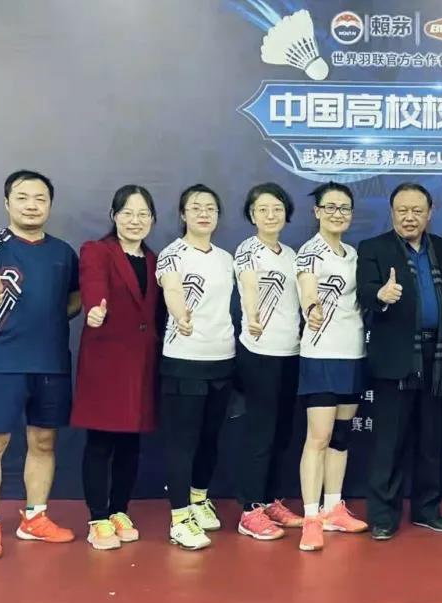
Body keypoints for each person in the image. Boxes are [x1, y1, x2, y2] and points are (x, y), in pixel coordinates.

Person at [0, 170, 80, 561]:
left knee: (44, 441)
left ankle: (35, 518)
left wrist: (50, 317)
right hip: (4, 359)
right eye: (22, 197)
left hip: (52, 361)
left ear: (49, 204)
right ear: (7, 203)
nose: (31, 205)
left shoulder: (64, 252)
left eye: (40, 198)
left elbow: (75, 298)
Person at [357, 183, 442, 540]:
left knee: (431, 441)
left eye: (417, 210)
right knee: (389, 442)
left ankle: (427, 510)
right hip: (395, 357)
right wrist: (381, 295)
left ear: (430, 213)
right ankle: (383, 516)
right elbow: (365, 291)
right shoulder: (373, 247)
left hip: (436, 358)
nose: (409, 217)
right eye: (402, 210)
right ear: (392, 213)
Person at [72, 185, 161, 551]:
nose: (135, 221)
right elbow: (93, 282)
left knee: (130, 442)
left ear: (152, 220)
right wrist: (95, 308)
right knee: (100, 442)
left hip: (142, 362)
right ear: (114, 216)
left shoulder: (155, 260)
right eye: (127, 213)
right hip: (106, 361)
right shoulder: (97, 250)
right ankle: (97, 517)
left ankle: (120, 510)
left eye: (142, 214)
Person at [156, 184, 235, 551]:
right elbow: (172, 289)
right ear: (183, 214)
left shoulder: (226, 258)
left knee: (210, 438)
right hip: (184, 360)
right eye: (195, 207)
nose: (203, 213)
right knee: (182, 443)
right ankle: (179, 517)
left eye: (210, 208)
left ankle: (199, 499)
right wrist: (180, 314)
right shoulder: (172, 254)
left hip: (223, 358)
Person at [295, 182, 368, 552]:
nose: (338, 214)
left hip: (352, 353)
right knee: (319, 437)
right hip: (321, 354)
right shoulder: (309, 252)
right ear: (317, 212)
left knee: (340, 436)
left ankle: (333, 508)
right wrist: (312, 307)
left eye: (344, 208)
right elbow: (308, 290)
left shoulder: (353, 254)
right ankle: (311, 518)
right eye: (331, 207)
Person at [233, 183, 304, 541]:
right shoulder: (248, 250)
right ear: (252, 215)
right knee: (260, 433)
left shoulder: (292, 255)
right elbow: (248, 285)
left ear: (286, 213)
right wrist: (253, 315)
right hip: (259, 353)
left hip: (291, 352)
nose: (270, 215)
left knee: (283, 433)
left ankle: (271, 500)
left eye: (277, 208)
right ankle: (250, 511)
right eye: (262, 209)